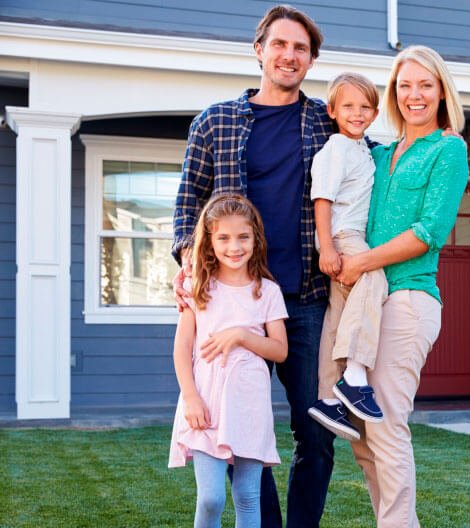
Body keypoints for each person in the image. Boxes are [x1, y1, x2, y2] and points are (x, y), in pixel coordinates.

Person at [171, 5, 343, 527]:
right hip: (235, 300)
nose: (289, 55)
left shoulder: (326, 124)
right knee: (241, 427)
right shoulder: (215, 121)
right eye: (280, 45)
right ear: (259, 50)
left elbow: (368, 169)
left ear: (311, 60)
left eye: (300, 48)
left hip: (306, 297)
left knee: (315, 428)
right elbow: (185, 209)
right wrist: (188, 267)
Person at [333, 45, 469, 528]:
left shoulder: (448, 149)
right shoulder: (380, 153)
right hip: (367, 302)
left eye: (425, 85)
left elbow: (429, 231)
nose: (414, 95)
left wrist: (361, 262)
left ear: (440, 93)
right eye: (405, 85)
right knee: (363, 435)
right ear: (393, 93)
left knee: (386, 425)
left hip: (408, 299)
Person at [168, 194, 288, 528]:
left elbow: (279, 350)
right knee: (211, 498)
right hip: (205, 403)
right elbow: (181, 350)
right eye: (223, 238)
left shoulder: (267, 291)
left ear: (255, 239)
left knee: (248, 498)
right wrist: (190, 397)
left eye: (242, 237)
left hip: (249, 405)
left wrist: (240, 335)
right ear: (209, 241)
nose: (234, 246)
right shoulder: (198, 288)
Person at [307, 72, 388, 439]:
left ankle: (327, 397)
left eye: (365, 107)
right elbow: (322, 198)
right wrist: (327, 246)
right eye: (348, 106)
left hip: (345, 237)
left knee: (338, 313)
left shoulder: (363, 149)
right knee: (374, 278)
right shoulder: (337, 147)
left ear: (374, 112)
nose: (357, 113)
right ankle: (355, 374)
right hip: (343, 235)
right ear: (333, 110)